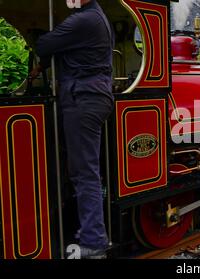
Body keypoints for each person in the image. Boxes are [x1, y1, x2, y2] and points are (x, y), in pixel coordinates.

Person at [31, 0, 114, 259]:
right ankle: (90, 231)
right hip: (90, 95)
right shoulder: (93, 17)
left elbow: (43, 44)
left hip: (84, 97)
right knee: (83, 170)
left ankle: (94, 242)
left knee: (85, 173)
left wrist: (45, 41)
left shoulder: (83, 19)